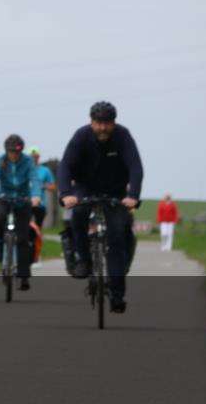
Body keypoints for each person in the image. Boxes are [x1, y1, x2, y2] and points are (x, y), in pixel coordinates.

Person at [57, 101, 144, 314]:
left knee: (116, 239)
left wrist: (133, 195)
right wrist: (66, 193)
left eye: (107, 123)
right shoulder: (81, 136)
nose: (102, 128)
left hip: (115, 192)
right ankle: (83, 260)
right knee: (77, 213)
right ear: (91, 122)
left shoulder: (123, 136)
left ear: (114, 123)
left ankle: (117, 295)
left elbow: (135, 167)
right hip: (85, 188)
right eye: (98, 123)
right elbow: (65, 166)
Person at [0, 134, 42, 291]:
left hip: (23, 201)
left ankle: (23, 277)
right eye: (11, 152)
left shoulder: (28, 162)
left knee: (23, 238)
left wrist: (36, 196)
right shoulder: (1, 160)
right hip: (4, 198)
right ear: (6, 151)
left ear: (21, 151)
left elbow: (34, 179)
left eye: (17, 152)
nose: (14, 155)